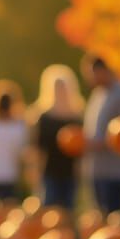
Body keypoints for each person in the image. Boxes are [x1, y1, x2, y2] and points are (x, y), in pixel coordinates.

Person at [80, 54, 120, 215]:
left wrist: (99, 143)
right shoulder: (97, 95)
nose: (91, 79)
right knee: (99, 217)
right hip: (96, 168)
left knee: (114, 217)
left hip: (115, 170)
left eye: (93, 74)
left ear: (103, 70)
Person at [29, 64, 85, 209]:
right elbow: (38, 148)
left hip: (70, 173)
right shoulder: (44, 117)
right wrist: (35, 172)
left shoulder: (77, 116)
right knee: (49, 210)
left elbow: (81, 149)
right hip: (50, 172)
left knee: (68, 211)